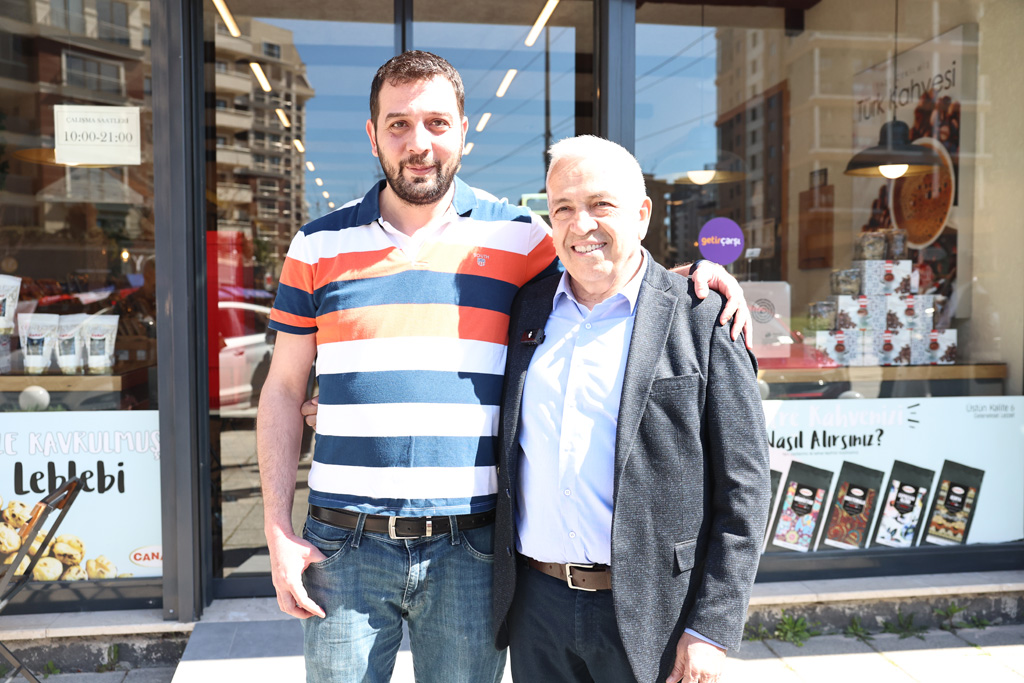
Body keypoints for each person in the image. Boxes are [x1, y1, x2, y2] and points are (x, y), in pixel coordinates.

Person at [260, 51, 752, 683]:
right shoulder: (316, 244)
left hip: (471, 549)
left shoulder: (522, 237)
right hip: (342, 542)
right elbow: (282, 390)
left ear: (464, 131)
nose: (418, 143)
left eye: (437, 123)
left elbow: (603, 264)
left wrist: (692, 279)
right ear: (373, 135)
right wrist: (276, 528)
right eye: (398, 124)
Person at [492, 135, 771, 683]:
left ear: (642, 215)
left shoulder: (702, 315)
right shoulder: (527, 308)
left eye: (601, 205)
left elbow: (746, 487)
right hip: (536, 610)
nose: (581, 225)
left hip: (655, 613)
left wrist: (712, 627)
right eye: (563, 208)